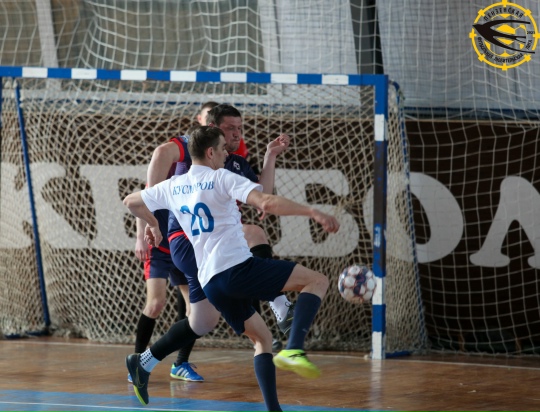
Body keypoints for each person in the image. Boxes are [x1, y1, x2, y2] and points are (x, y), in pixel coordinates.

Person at [124, 126, 340, 410]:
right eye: (223, 149)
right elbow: (266, 202)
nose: (227, 154)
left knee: (261, 338)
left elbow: (131, 201)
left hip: (211, 282)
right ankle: (294, 348)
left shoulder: (174, 185)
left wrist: (153, 225)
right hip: (237, 269)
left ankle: (144, 362)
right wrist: (312, 211)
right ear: (210, 152)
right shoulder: (221, 177)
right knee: (318, 281)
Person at [151, 104, 295, 349]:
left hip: (213, 246)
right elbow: (161, 153)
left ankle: (146, 360)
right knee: (254, 236)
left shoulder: (234, 163)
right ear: (213, 129)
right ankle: (278, 303)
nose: (237, 134)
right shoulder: (194, 156)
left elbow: (263, 195)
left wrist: (270, 156)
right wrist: (151, 222)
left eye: (240, 128)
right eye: (230, 128)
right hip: (189, 241)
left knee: (202, 321)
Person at [130, 135, 204, 383]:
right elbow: (141, 201)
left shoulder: (200, 180)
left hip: (182, 247)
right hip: (159, 248)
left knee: (196, 312)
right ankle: (137, 361)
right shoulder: (163, 176)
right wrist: (140, 238)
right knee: (156, 303)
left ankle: (180, 363)